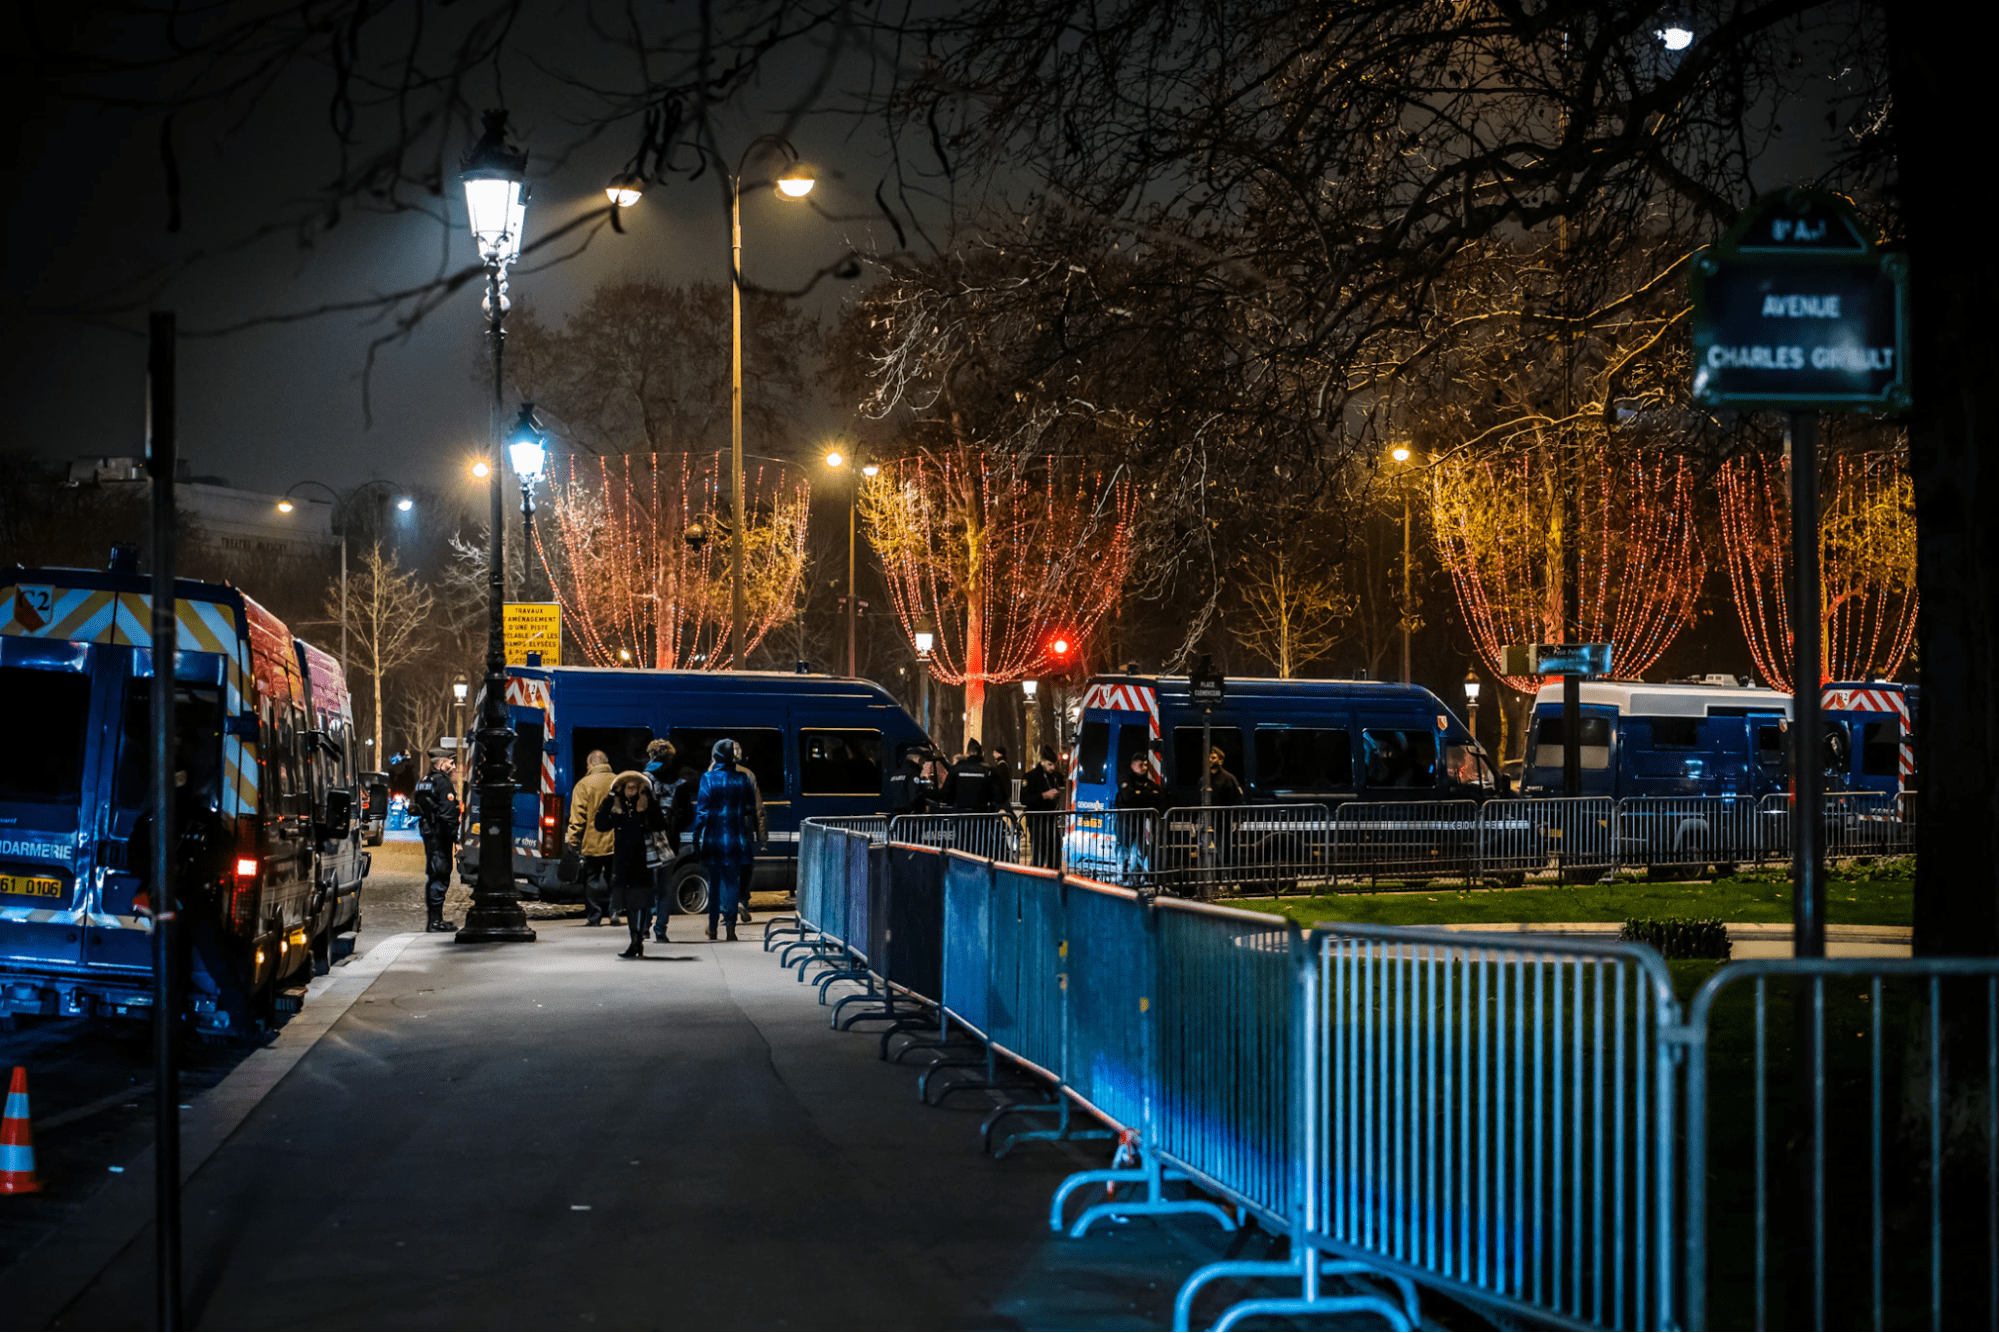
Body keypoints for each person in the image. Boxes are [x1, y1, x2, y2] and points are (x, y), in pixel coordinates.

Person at [691, 739, 762, 941]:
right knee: (732, 883)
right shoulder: (742, 778)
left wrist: (697, 838)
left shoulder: (708, 779)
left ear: (716, 756)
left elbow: (702, 812)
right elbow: (750, 808)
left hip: (714, 839)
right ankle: (731, 928)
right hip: (736, 838)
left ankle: (713, 928)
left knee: (713, 883)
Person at [594, 772, 667, 958]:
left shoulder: (645, 806)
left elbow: (660, 823)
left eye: (635, 787)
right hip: (623, 862)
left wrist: (649, 799)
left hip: (643, 862)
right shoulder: (619, 806)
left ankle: (638, 941)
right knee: (629, 904)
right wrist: (610, 797)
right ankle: (634, 941)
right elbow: (601, 824)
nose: (631, 791)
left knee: (641, 902)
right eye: (628, 787)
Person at [565, 749, 619, 926]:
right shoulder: (618, 781)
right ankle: (614, 911)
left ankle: (595, 916)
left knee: (592, 880)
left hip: (592, 842)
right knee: (614, 878)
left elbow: (578, 817)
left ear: (591, 764)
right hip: (615, 841)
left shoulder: (584, 785)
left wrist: (573, 840)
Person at [413, 755, 462, 932]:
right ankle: (435, 922)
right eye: (450, 763)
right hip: (440, 835)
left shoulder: (424, 781)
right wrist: (456, 839)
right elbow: (448, 814)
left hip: (429, 832)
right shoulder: (443, 783)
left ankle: (435, 920)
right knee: (440, 875)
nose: (453, 766)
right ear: (441, 764)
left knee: (434, 874)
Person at [642, 740, 680, 941]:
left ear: (650, 754)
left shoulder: (643, 779)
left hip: (648, 842)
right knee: (664, 889)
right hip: (670, 843)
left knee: (648, 886)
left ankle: (644, 927)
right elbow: (686, 815)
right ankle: (661, 931)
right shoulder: (678, 781)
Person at [1114, 751, 1170, 881]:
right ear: (1133, 765)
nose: (1144, 768)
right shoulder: (1125, 778)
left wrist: (1140, 794)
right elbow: (1129, 797)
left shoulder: (1149, 783)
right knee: (1123, 851)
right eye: (1141, 765)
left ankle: (1134, 880)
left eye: (1146, 765)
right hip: (1126, 822)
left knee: (1138, 853)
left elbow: (1159, 798)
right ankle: (1121, 879)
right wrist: (1148, 795)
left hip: (1139, 824)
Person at [1022, 746, 1066, 869]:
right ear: (1042, 762)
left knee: (1055, 852)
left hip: (1051, 820)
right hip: (1037, 820)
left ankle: (1054, 877)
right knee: (1038, 854)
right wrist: (1044, 796)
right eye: (1049, 764)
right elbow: (1024, 799)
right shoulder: (1030, 777)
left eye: (1054, 765)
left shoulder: (1056, 776)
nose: (1052, 768)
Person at [946, 738, 996, 813]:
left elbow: (946, 793)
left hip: (959, 815)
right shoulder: (987, 770)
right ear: (979, 753)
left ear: (968, 752)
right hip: (981, 816)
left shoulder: (957, 769)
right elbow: (999, 796)